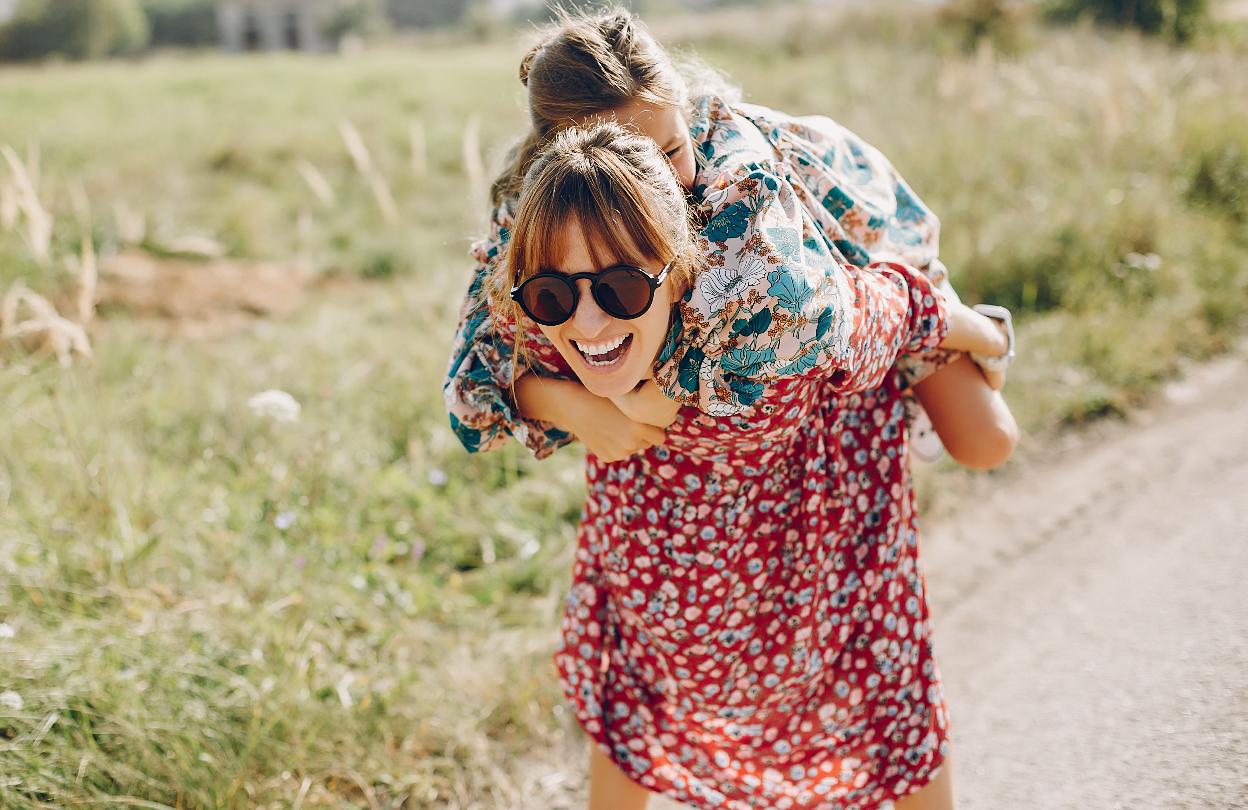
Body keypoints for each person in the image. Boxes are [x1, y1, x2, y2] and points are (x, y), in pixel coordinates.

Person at [465, 120, 1013, 809]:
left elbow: (890, 306)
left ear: (681, 270)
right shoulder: (545, 305)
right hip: (661, 591)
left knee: (890, 717)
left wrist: (982, 333)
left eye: (623, 291)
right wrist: (573, 406)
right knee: (631, 718)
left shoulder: (783, 325)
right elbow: (470, 388)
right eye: (552, 297)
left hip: (825, 562)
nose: (588, 324)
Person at [444, 7, 1017, 471]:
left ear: (684, 117)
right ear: (561, 162)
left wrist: (657, 392)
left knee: (986, 442)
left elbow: (794, 309)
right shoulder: (536, 204)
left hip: (864, 246)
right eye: (627, 169)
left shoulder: (735, 185)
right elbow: (468, 384)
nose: (660, 184)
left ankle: (970, 323)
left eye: (670, 152)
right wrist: (568, 403)